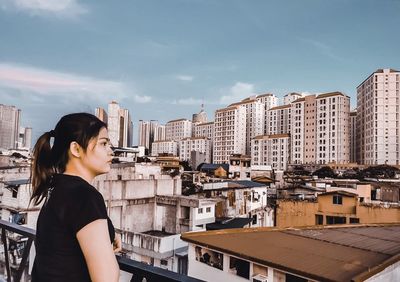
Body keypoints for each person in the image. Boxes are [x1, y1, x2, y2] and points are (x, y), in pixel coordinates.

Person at [30, 113, 121, 282]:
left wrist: (109, 232)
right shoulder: (84, 196)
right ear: (76, 149)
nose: (111, 151)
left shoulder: (57, 188)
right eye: (103, 143)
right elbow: (106, 279)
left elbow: (67, 234)